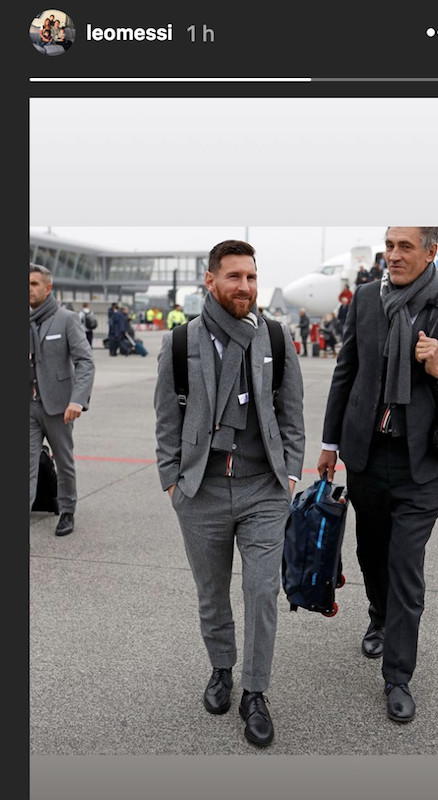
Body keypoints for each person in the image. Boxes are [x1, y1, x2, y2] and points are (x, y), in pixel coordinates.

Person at [154, 239, 305, 747]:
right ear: (211, 281)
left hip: (264, 488)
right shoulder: (181, 342)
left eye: (253, 277)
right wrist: (172, 480)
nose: (246, 287)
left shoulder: (278, 340)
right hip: (202, 489)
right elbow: (166, 420)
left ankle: (254, 692)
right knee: (212, 594)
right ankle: (221, 668)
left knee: (262, 593)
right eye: (236, 277)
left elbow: (292, 414)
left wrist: (288, 476)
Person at [316, 227, 438, 724]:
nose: (394, 255)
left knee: (407, 567)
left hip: (420, 462)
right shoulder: (366, 299)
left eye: (406, 246)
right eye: (389, 245)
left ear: (431, 251)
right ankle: (378, 616)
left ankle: (398, 676)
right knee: (370, 552)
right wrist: (330, 444)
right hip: (365, 454)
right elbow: (347, 370)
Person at [29, 264, 95, 536]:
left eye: (34, 283)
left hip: (59, 407)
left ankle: (67, 510)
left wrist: (77, 401)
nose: (28, 289)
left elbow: (85, 362)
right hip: (29, 406)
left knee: (65, 462)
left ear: (48, 287)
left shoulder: (66, 319)